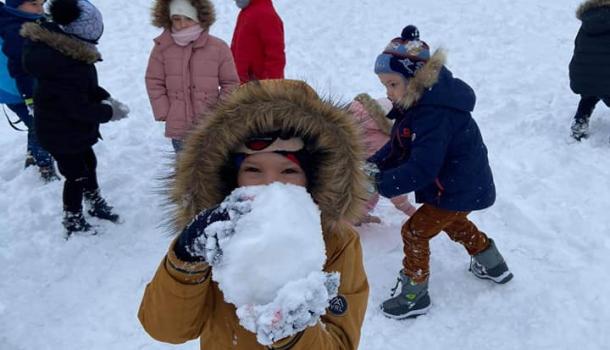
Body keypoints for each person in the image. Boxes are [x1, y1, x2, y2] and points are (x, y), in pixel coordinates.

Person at [138, 80, 370, 349]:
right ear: (232, 177)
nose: (270, 184)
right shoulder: (216, 237)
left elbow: (341, 342)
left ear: (313, 178)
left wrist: (290, 332)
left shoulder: (337, 243)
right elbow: (166, 329)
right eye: (253, 170)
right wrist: (186, 257)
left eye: (288, 171)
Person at [369, 25, 513, 319]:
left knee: (414, 231)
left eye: (392, 84)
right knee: (453, 222)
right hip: (459, 185)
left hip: (456, 187)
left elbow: (421, 168)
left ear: (414, 79)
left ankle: (414, 294)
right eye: (385, 85)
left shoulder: (434, 114)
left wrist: (381, 181)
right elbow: (400, 142)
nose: (388, 92)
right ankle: (491, 262)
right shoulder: (419, 104)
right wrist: (374, 163)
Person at [21, 0, 128, 236]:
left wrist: (105, 96)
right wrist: (109, 112)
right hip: (59, 132)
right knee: (75, 174)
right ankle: (73, 219)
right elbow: (78, 107)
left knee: (89, 163)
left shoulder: (69, 52)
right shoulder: (64, 63)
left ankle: (94, 202)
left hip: (73, 128)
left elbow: (85, 89)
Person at [146, 0, 239, 152]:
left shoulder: (218, 47)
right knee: (185, 170)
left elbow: (230, 82)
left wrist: (220, 110)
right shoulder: (162, 48)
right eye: (177, 19)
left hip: (210, 125)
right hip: (179, 128)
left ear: (199, 18)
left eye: (188, 18)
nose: (182, 24)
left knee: (211, 169)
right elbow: (154, 81)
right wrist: (165, 111)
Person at [0, 0, 58, 181]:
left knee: (34, 123)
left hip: (11, 90)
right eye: (34, 4)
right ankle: (44, 165)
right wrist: (31, 97)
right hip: (18, 91)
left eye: (41, 3)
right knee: (41, 125)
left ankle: (33, 155)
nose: (41, 9)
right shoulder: (14, 29)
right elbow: (21, 69)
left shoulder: (12, 17)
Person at [348, 93, 417, 225]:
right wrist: (410, 210)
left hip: (338, 168)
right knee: (371, 190)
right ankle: (351, 219)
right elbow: (394, 186)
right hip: (361, 180)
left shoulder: (353, 115)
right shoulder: (386, 143)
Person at [569, 0, 610, 141]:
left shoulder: (588, 22)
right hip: (607, 78)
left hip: (583, 75)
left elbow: (578, 48)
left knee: (589, 95)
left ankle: (580, 122)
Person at [230, 0, 285, 83]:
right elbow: (236, 49)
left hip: (259, 90)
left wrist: (268, 88)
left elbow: (276, 57)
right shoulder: (245, 13)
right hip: (243, 87)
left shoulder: (266, 14)